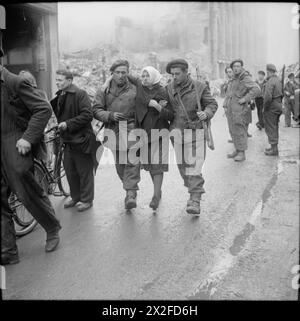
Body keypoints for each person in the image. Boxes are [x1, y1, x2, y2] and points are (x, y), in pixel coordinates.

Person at [1, 54, 61, 265]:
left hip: (15, 140)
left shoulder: (16, 82)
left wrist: (27, 138)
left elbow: (43, 108)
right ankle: (8, 250)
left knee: (25, 191)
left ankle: (52, 228)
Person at [165, 59, 218, 214]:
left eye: (177, 74)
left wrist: (206, 113)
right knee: (183, 168)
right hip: (177, 133)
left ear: (186, 72)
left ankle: (195, 199)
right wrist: (160, 108)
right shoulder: (168, 89)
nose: (174, 77)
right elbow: (168, 111)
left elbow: (212, 104)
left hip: (196, 132)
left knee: (194, 166)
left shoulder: (199, 87)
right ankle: (194, 190)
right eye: (172, 74)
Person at [93, 60, 141, 210]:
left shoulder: (135, 87)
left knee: (132, 162)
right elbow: (96, 109)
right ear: (111, 73)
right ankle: (129, 189)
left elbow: (145, 86)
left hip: (133, 129)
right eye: (117, 72)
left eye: (124, 72)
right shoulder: (104, 90)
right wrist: (110, 115)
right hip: (113, 130)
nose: (120, 75)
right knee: (120, 166)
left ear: (128, 73)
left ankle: (131, 194)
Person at [50, 69, 95, 212]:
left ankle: (87, 200)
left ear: (69, 81)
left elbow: (88, 115)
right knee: (70, 171)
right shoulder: (60, 96)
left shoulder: (80, 94)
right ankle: (76, 197)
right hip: (67, 140)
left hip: (81, 139)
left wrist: (67, 124)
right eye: (56, 80)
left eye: (60, 80)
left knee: (84, 171)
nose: (57, 82)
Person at [223, 59, 261, 162]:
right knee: (233, 130)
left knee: (240, 130)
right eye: (234, 66)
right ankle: (237, 149)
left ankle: (241, 153)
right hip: (231, 109)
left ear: (242, 67)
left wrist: (245, 99)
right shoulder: (234, 78)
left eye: (238, 66)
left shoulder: (245, 77)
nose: (236, 68)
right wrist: (225, 105)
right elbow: (229, 93)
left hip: (239, 110)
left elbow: (257, 90)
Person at [263, 64, 283, 156]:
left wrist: (265, 108)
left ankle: (274, 150)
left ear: (268, 71)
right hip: (278, 104)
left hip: (272, 106)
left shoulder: (270, 81)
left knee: (271, 127)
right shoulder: (278, 80)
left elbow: (267, 97)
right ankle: (273, 147)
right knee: (274, 126)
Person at [222, 66, 234, 143]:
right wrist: (225, 106)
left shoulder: (236, 81)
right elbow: (226, 95)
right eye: (227, 72)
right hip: (228, 105)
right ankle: (233, 138)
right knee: (230, 123)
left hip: (235, 105)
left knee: (236, 123)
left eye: (230, 71)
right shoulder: (227, 81)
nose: (229, 73)